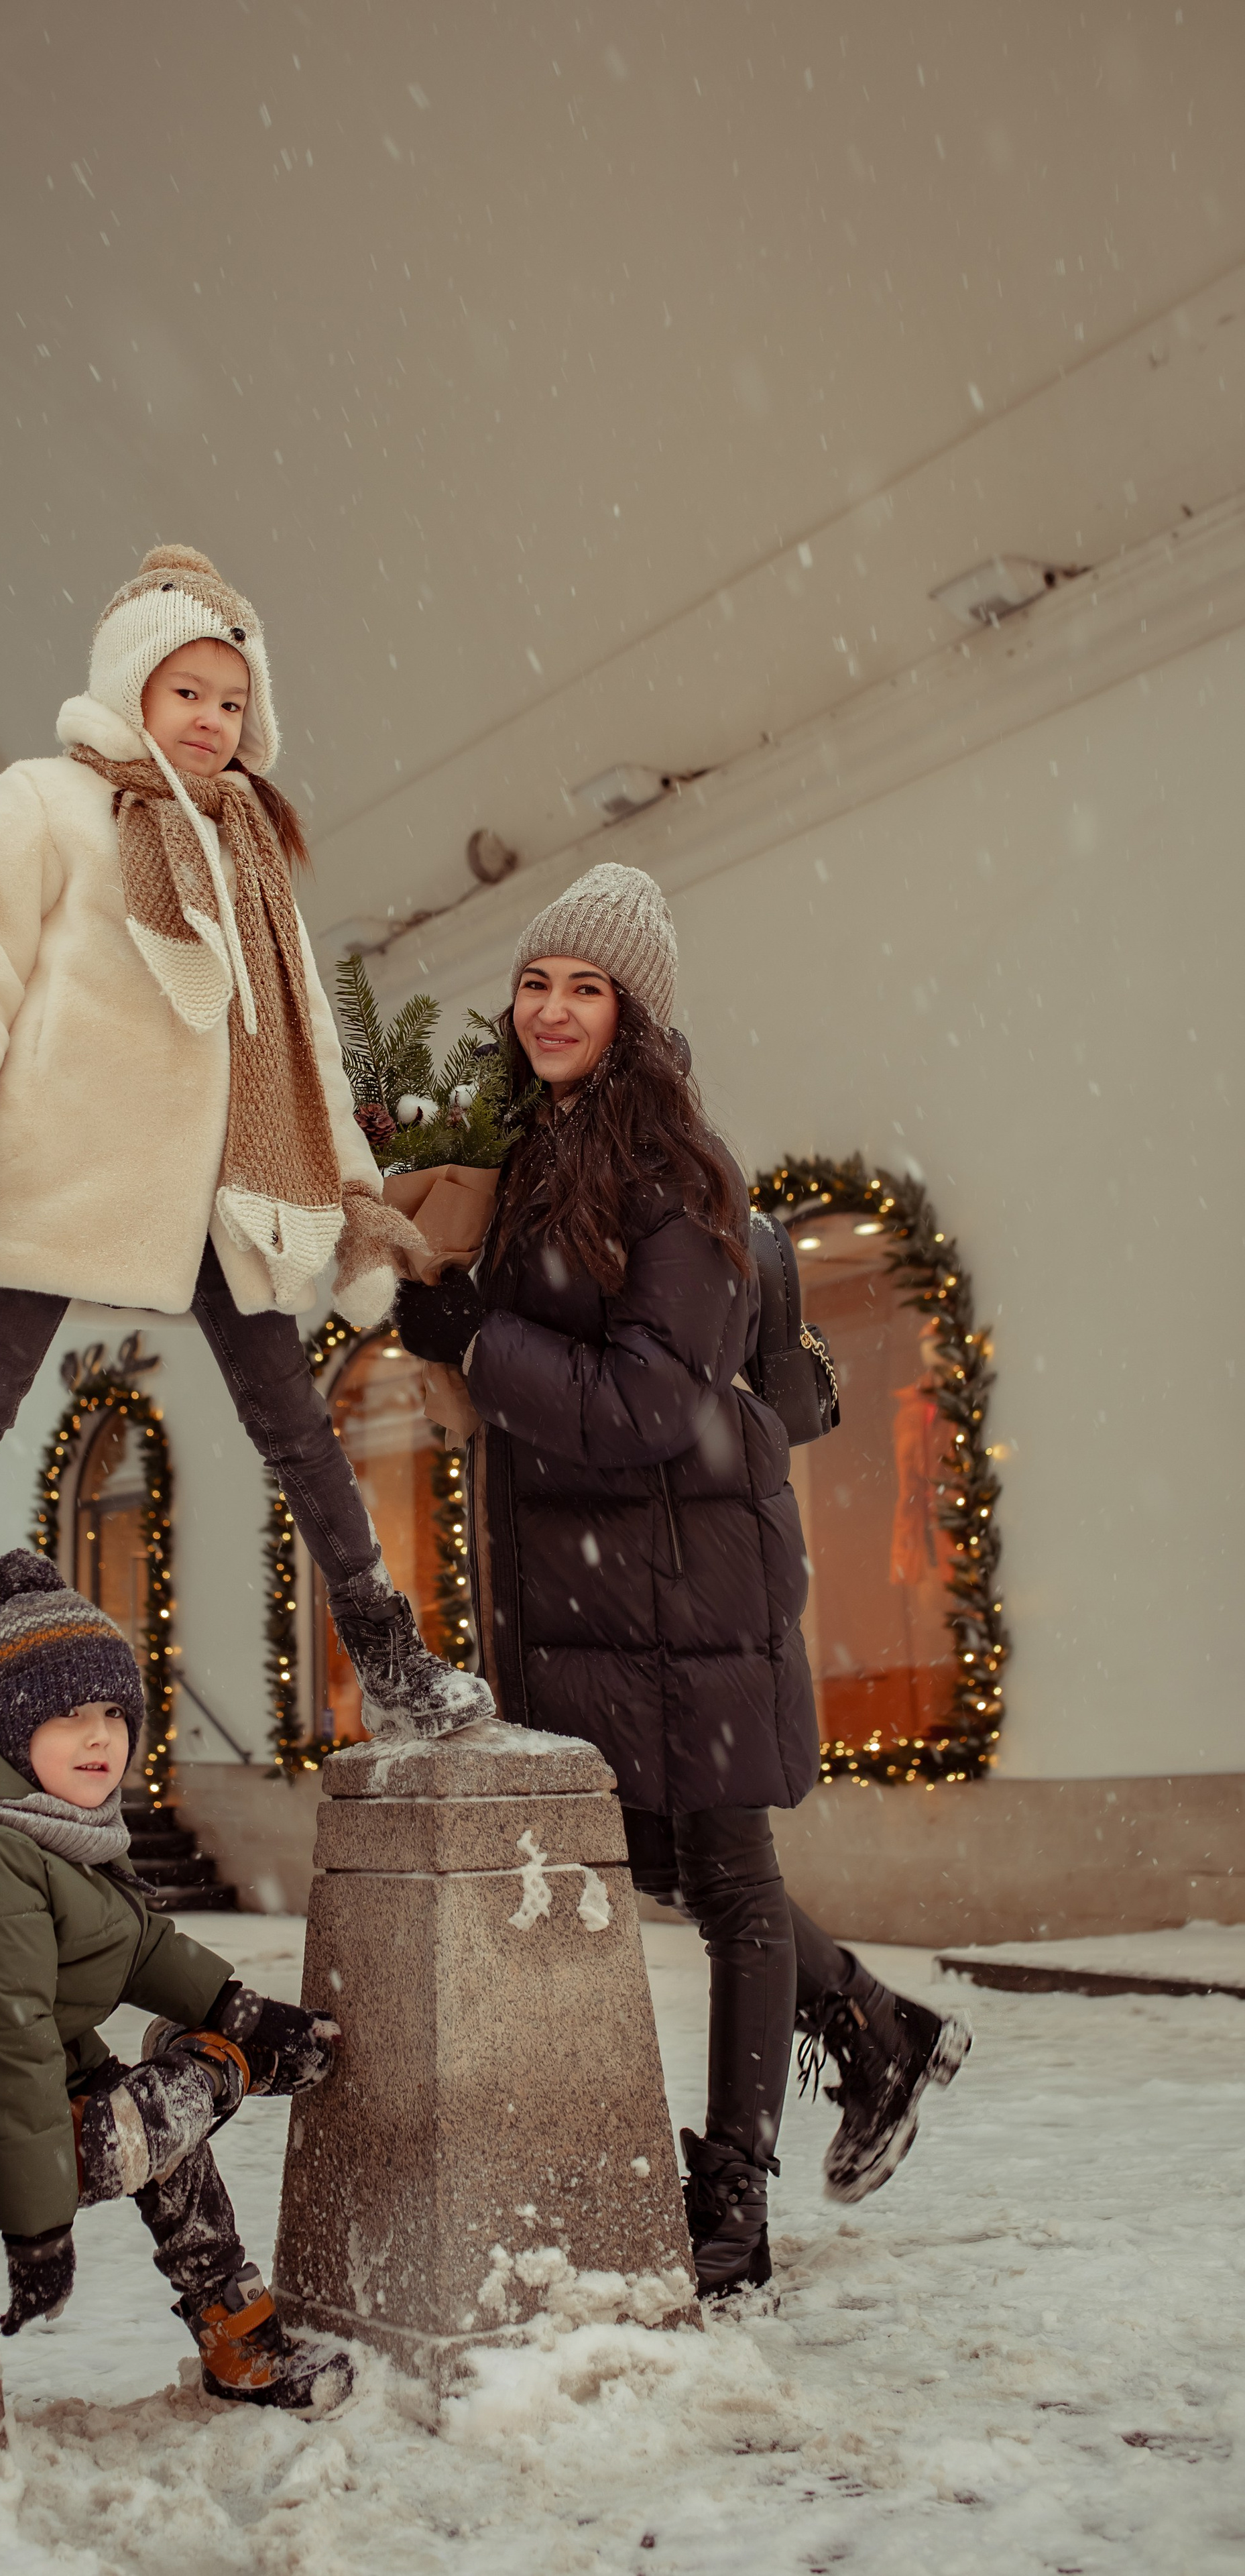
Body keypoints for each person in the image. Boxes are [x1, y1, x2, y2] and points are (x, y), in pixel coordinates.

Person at [0, 543, 489, 1753]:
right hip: (71, 1166)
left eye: (233, 699)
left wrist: (354, 1197)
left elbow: (303, 1033)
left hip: (225, 1184)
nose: (212, 721)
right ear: (132, 688)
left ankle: (395, 1664)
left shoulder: (251, 839)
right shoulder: (45, 801)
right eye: (187, 692)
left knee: (298, 1428)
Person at [394, 862, 969, 2298]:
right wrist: (436, 1308)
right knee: (651, 1863)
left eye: (584, 987)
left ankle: (732, 2198)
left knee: (725, 1873)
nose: (550, 1008)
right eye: (535, 981)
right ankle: (879, 2032)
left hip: (692, 1580)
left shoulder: (680, 1179)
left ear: (632, 1012)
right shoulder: (531, 1154)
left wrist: (477, 1341)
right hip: (587, 1591)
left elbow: (647, 1402)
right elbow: (540, 1371)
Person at [0, 1547, 351, 2409]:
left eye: (112, 1711)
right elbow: (9, 2037)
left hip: (57, 2092)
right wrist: (36, 2228)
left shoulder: (57, 1825)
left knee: (174, 2150)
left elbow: (134, 1946)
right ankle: (222, 2065)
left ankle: (238, 2338)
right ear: (3, 1730)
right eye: (65, 1718)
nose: (99, 1736)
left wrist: (239, 2006)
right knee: (177, 2099)